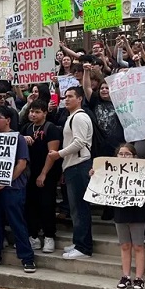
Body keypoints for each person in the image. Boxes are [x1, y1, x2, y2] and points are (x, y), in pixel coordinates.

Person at [0, 106, 36, 273]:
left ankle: (27, 257)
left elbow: (21, 164)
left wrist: (4, 183)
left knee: (17, 222)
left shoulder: (18, 138)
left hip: (13, 188)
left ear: (8, 120)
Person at [91, 144, 145, 289]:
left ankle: (139, 278)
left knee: (138, 245)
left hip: (137, 211)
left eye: (127, 154)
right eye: (121, 154)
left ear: (134, 156)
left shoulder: (142, 171)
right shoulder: (112, 171)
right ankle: (126, 276)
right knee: (124, 245)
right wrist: (95, 174)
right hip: (120, 210)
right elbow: (100, 183)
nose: (123, 157)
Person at [48, 87, 94, 260]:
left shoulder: (79, 117)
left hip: (79, 166)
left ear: (80, 99)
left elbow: (79, 142)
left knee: (80, 208)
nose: (66, 99)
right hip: (73, 166)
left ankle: (83, 247)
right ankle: (79, 242)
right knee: (76, 208)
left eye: (70, 96)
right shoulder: (73, 117)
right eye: (65, 97)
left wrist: (59, 154)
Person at [23, 98, 62, 253]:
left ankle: (49, 236)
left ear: (45, 113)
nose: (33, 114)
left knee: (47, 205)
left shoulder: (51, 128)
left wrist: (43, 173)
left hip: (47, 173)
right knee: (31, 205)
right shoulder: (27, 128)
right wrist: (22, 138)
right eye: (32, 111)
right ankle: (33, 236)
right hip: (29, 173)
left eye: (37, 112)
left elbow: (52, 153)